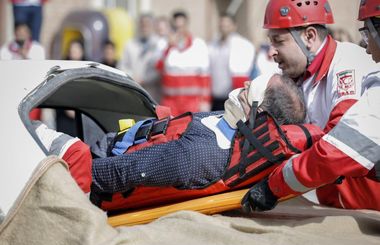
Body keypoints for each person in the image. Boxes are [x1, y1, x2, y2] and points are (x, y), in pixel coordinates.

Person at [33, 74, 324, 211]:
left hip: (92, 170)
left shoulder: (200, 155)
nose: (243, 85)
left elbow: (120, 174)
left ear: (256, 114)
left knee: (33, 128)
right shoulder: (226, 123)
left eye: (251, 89)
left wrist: (67, 174)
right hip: (114, 145)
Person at [241, 0, 380, 212]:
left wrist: (275, 185)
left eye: (278, 41)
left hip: (364, 208)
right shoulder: (300, 76)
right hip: (330, 205)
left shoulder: (348, 64)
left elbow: (337, 147)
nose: (272, 52)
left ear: (309, 36)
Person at [156, 11, 211, 115]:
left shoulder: (199, 45)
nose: (179, 30)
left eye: (182, 26)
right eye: (176, 27)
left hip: (192, 102)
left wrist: (205, 101)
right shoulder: (163, 44)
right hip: (170, 102)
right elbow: (158, 68)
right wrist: (168, 47)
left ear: (186, 25)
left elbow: (205, 76)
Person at [208, 13, 255, 111]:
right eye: (221, 25)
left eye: (227, 25)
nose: (223, 28)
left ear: (234, 26)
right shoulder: (213, 45)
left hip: (233, 97)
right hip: (215, 96)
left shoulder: (243, 45)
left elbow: (243, 72)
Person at [118, 14, 161, 102]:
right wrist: (133, 78)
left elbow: (159, 68)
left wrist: (144, 79)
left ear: (152, 25)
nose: (144, 27)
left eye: (147, 24)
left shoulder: (159, 44)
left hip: (152, 92)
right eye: (142, 24)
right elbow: (122, 65)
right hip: (133, 89)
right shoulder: (129, 44)